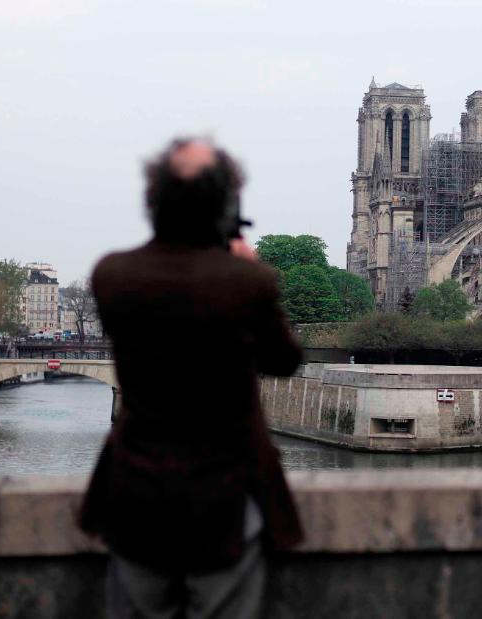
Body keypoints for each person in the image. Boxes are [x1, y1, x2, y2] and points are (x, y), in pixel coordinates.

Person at [79, 136, 303, 619]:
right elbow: (284, 359)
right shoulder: (247, 283)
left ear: (152, 200)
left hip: (135, 499)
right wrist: (246, 269)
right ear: (225, 205)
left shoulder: (112, 275)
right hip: (223, 506)